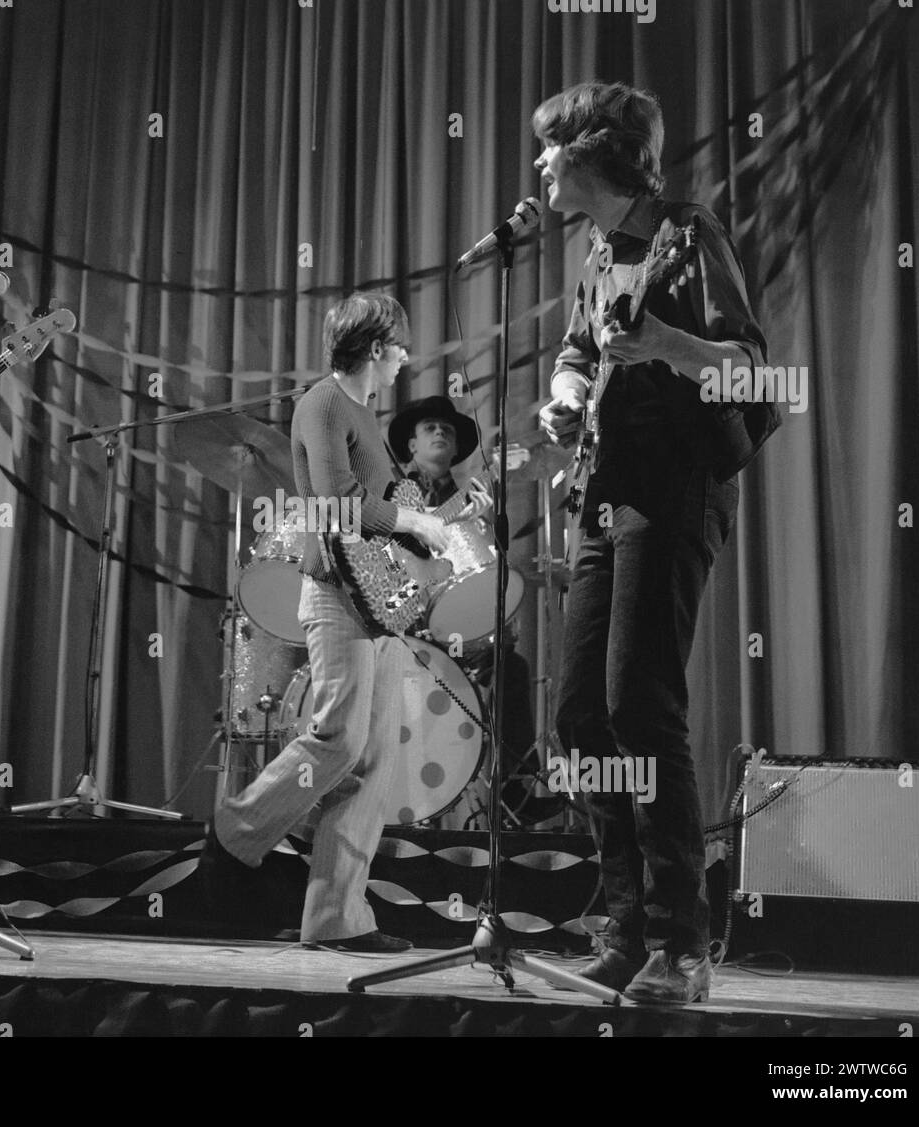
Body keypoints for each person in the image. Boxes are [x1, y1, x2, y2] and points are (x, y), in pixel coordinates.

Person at [535, 83, 779, 1002]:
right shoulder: (598, 251)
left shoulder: (688, 235)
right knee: (579, 717)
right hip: (604, 492)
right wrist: (565, 395)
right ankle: (623, 923)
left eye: (549, 150)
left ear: (591, 157)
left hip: (673, 491)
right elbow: (574, 351)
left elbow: (752, 369)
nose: (539, 167)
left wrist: (667, 344)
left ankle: (688, 938)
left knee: (641, 702)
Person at [201, 293, 490, 951]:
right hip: (336, 595)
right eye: (401, 349)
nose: (406, 361)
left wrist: (446, 516)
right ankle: (233, 834)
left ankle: (336, 919)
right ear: (377, 347)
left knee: (373, 759)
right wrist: (412, 518)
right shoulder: (324, 403)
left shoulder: (364, 414)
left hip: (377, 606)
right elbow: (336, 506)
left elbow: (389, 507)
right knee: (337, 738)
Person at [387, 396, 537, 828]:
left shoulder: (472, 499)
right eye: (430, 427)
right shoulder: (391, 494)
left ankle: (516, 793)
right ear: (411, 446)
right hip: (404, 629)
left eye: (448, 431)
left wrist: (482, 521)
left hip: (458, 637)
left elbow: (483, 571)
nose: (440, 433)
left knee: (510, 665)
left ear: (456, 451)